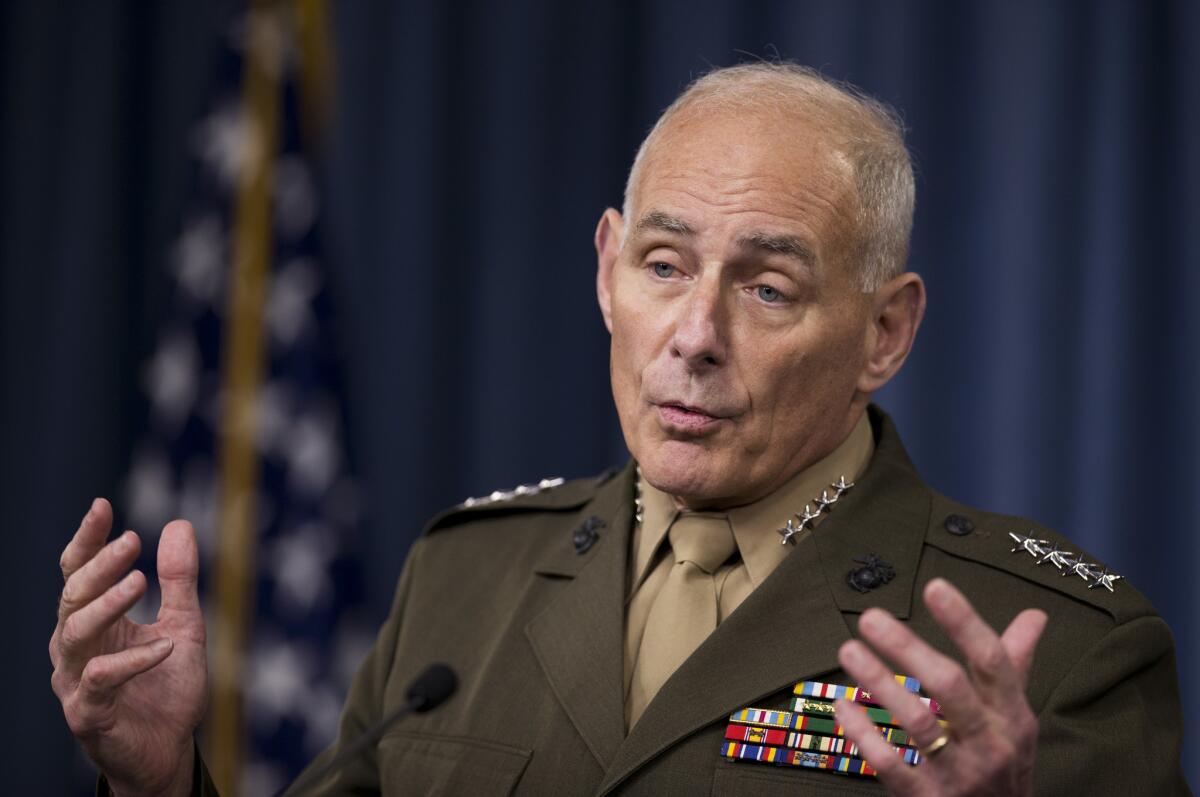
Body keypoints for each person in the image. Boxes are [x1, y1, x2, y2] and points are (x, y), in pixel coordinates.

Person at [50, 63, 1189, 795]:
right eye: (663, 265)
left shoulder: (1052, 651)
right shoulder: (466, 580)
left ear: (885, 332)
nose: (693, 334)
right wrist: (159, 785)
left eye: (768, 289)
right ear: (606, 271)